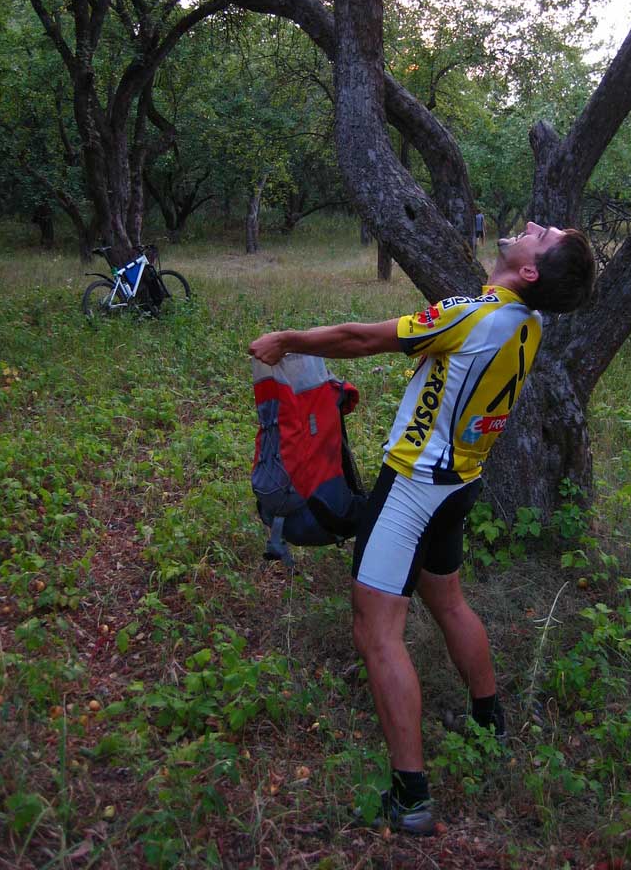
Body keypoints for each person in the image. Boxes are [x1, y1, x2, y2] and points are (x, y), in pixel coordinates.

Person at [248, 222, 596, 835]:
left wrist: (287, 340)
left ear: (530, 271)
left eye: (542, 235)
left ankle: (410, 799)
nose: (531, 226)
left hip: (412, 487)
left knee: (376, 631)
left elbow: (361, 338)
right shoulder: (529, 323)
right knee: (448, 601)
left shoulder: (472, 314)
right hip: (459, 484)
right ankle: (489, 724)